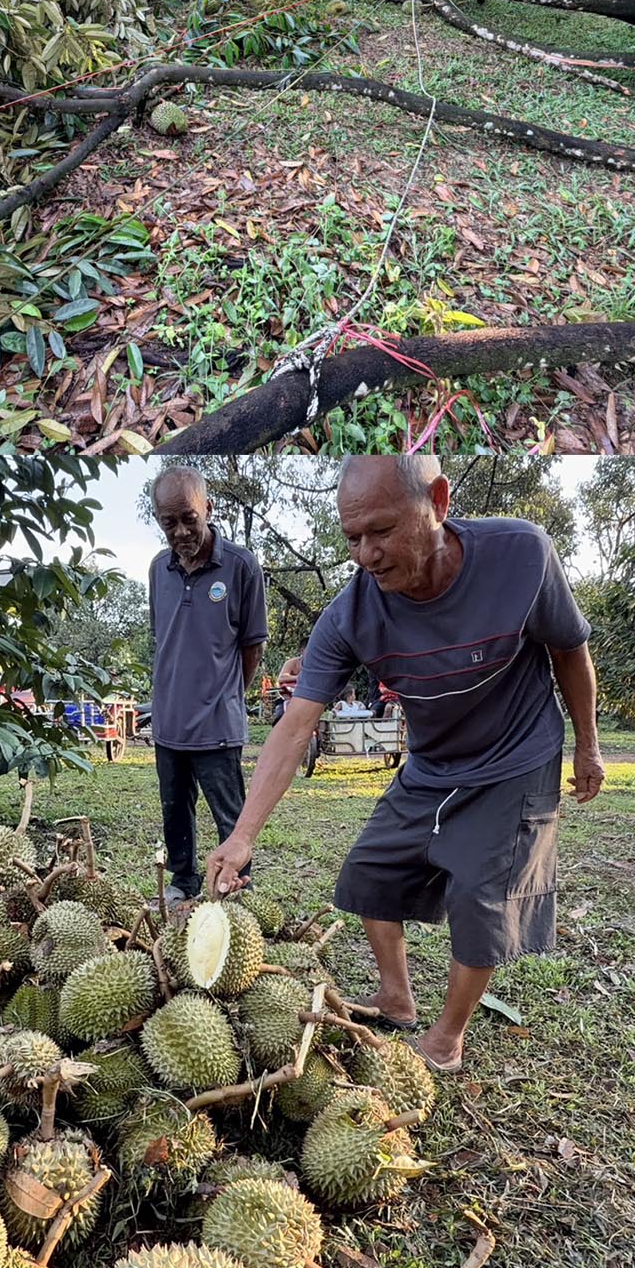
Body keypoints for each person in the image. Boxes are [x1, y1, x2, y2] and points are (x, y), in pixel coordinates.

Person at [203, 456, 605, 1073]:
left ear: (437, 501)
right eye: (352, 539)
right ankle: (396, 997)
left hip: (515, 759)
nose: (367, 554)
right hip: (431, 763)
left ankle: (447, 1036)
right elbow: (295, 727)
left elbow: (569, 650)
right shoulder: (351, 615)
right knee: (371, 873)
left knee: (481, 898)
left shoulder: (521, 553)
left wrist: (588, 744)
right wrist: (242, 835)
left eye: (383, 531)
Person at [147, 466, 268, 902]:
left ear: (208, 509)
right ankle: (183, 883)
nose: (180, 531)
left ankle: (234, 891)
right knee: (175, 813)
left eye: (189, 519)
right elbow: (165, 638)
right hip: (168, 722)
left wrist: (229, 692)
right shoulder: (158, 569)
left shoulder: (240, 566)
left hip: (217, 725)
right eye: (169, 522)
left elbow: (253, 645)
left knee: (230, 818)